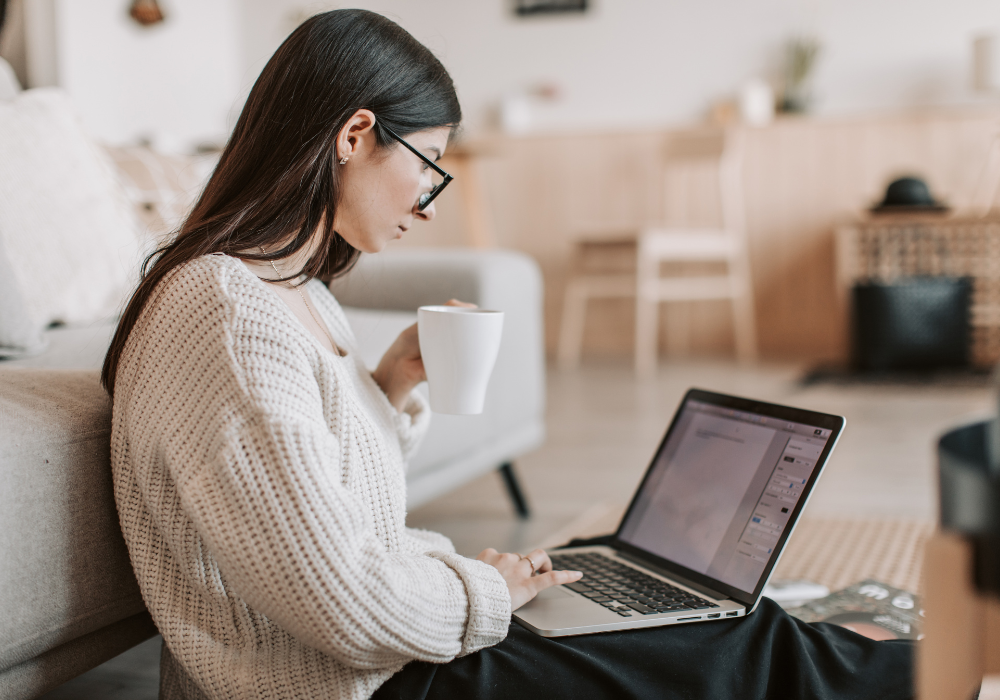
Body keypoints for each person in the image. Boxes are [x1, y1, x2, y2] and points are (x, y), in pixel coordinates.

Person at [102, 9, 914, 700]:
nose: (426, 205)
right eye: (427, 167)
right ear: (355, 134)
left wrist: (383, 391)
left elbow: (328, 517)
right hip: (355, 682)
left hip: (383, 658)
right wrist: (487, 591)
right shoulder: (225, 312)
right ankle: (953, 669)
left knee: (729, 629)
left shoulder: (292, 293)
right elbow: (341, 601)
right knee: (749, 647)